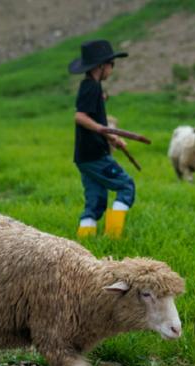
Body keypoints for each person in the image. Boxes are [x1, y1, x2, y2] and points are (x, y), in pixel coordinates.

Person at [68, 39, 134, 238]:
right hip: (95, 155)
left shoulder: (90, 87)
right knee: (126, 186)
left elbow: (94, 123)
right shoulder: (92, 87)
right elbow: (80, 117)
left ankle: (86, 241)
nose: (112, 69)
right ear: (101, 66)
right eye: (111, 64)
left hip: (84, 156)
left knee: (95, 200)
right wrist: (104, 130)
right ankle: (113, 236)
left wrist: (112, 139)